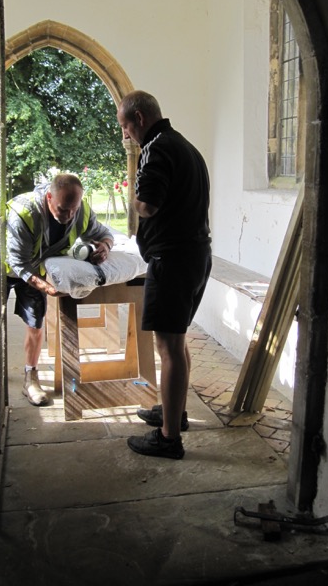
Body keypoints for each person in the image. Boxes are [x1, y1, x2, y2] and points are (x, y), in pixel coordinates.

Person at [117, 90, 212, 460]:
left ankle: (169, 438)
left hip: (173, 260)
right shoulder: (185, 146)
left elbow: (149, 204)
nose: (126, 137)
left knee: (168, 348)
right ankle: (175, 412)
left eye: (126, 128)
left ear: (139, 118)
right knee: (177, 342)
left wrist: (132, 198)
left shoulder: (156, 149)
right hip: (194, 255)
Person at [6, 173, 114, 406]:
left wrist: (105, 246)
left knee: (35, 322)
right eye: (63, 209)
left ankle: (30, 377)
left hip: (34, 267)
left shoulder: (80, 210)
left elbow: (104, 233)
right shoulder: (23, 214)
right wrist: (46, 286)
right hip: (6, 268)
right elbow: (17, 262)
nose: (70, 216)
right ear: (48, 197)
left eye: (73, 209)